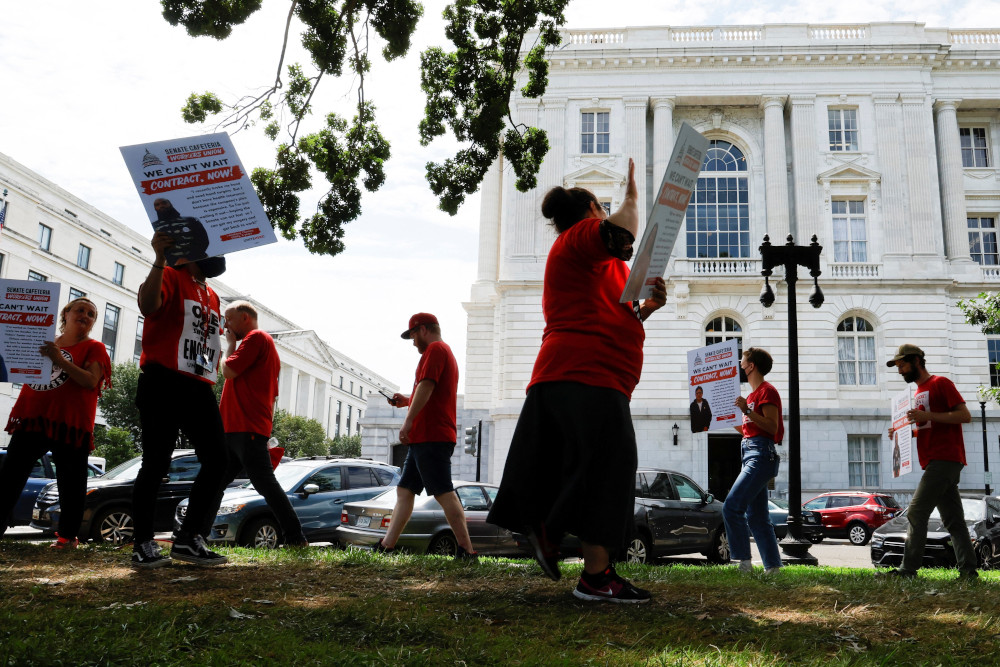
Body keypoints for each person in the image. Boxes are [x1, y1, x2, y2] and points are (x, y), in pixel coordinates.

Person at [487, 158, 668, 604]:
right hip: (586, 374)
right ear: (592, 209)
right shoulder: (579, 239)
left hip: (582, 375)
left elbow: (615, 314)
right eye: (602, 209)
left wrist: (647, 309)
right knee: (610, 468)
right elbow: (618, 233)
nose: (608, 216)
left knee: (592, 470)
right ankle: (584, 564)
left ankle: (577, 557)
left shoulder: (601, 267)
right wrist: (630, 200)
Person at [130, 232, 229, 568]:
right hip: (163, 381)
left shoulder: (213, 295)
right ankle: (142, 542)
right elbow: (148, 306)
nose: (221, 255)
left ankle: (187, 539)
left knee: (219, 460)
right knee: (156, 463)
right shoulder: (171, 275)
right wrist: (160, 258)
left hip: (199, 387)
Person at [0, 297, 111, 548]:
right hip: (32, 416)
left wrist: (58, 359)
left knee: (71, 481)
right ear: (66, 314)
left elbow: (90, 381)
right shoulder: (43, 340)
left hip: (70, 423)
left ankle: (67, 537)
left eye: (91, 314)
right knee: (11, 475)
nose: (85, 315)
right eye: (80, 310)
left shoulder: (95, 347)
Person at [376, 313, 477, 561]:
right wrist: (407, 402)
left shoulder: (436, 350)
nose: (412, 343)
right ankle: (386, 546)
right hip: (425, 436)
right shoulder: (441, 352)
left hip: (431, 435)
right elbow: (431, 393)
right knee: (405, 491)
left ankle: (467, 551)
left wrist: (408, 422)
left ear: (422, 330)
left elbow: (427, 386)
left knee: (443, 492)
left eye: (412, 336)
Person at [208, 300, 307, 546]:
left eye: (228, 319)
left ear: (245, 318)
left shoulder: (257, 338)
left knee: (265, 485)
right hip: (237, 428)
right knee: (215, 483)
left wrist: (229, 344)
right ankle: (196, 534)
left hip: (246, 427)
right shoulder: (261, 344)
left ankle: (295, 537)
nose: (225, 325)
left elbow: (228, 370)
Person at [883, 343, 978, 581]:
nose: (900, 370)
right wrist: (904, 433)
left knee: (916, 513)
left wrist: (927, 415)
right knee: (954, 521)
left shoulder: (940, 383)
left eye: (902, 364)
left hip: (945, 459)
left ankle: (908, 570)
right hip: (935, 460)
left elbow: (965, 416)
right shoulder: (915, 394)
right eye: (897, 366)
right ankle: (968, 573)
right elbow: (929, 428)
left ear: (916, 361)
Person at [724, 347, 783, 574]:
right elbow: (748, 430)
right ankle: (773, 568)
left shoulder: (767, 391)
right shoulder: (750, 396)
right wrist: (725, 416)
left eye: (743, 360)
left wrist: (747, 410)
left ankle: (744, 563)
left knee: (732, 506)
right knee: (757, 516)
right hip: (750, 451)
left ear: (752, 366)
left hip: (761, 454)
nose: (740, 364)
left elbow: (771, 426)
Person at [152, 197, 209, 263]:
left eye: (164, 203)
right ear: (155, 208)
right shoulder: (154, 226)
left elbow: (203, 240)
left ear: (170, 204)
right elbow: (159, 247)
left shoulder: (190, 220)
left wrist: (189, 258)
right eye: (157, 205)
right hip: (174, 265)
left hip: (199, 261)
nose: (161, 206)